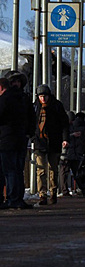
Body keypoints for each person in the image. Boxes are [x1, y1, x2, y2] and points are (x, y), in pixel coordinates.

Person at [0, 76, 35, 209]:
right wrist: (28, 133)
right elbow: (31, 117)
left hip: (6, 139)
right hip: (21, 139)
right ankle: (17, 198)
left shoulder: (5, 99)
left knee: (9, 171)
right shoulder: (23, 99)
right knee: (18, 170)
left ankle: (12, 198)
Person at [32, 84, 69, 205]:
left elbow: (64, 124)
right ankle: (42, 194)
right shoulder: (35, 107)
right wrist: (33, 137)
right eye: (41, 96)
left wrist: (65, 138)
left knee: (53, 169)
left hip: (53, 141)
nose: (43, 99)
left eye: (45, 96)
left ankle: (53, 192)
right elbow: (31, 123)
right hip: (39, 142)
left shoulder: (56, 106)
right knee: (40, 169)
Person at [68, 112, 85, 196]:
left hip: (69, 152)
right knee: (80, 171)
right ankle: (83, 188)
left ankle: (65, 189)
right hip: (80, 152)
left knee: (66, 171)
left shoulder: (71, 127)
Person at [58, 111, 75, 196]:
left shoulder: (63, 126)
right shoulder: (68, 128)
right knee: (64, 170)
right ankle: (64, 189)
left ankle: (63, 189)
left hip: (66, 152)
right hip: (66, 151)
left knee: (64, 170)